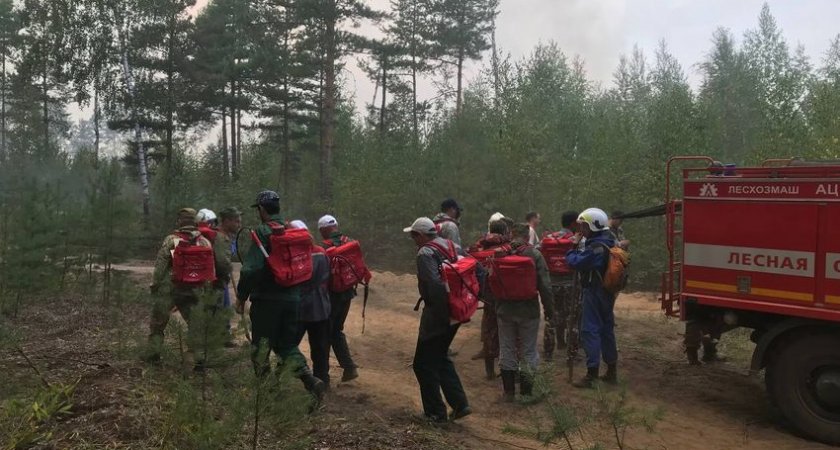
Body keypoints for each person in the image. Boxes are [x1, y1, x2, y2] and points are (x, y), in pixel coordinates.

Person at [237, 191, 325, 397]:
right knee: (286, 345)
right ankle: (310, 380)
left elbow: (252, 269)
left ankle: (266, 394)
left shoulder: (263, 231)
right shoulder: (289, 230)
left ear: (261, 209)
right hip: (293, 298)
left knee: (261, 348)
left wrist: (241, 296)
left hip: (268, 300)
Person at [404, 217, 471, 423]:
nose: (413, 239)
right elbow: (475, 269)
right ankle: (460, 405)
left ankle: (435, 414)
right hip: (457, 311)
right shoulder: (453, 245)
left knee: (423, 364)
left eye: (414, 235)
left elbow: (433, 284)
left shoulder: (425, 252)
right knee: (440, 357)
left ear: (423, 235)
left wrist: (439, 313)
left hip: (438, 315)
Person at [145, 208, 215, 363]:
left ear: (179, 221)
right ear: (195, 222)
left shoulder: (171, 240)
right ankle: (199, 358)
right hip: (194, 289)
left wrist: (155, 285)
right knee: (195, 324)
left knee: (158, 323)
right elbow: (210, 269)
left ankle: (153, 355)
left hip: (170, 287)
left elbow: (161, 265)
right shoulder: (204, 241)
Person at [496, 223, 554, 402]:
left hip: (504, 309)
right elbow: (545, 286)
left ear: (511, 234)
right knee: (528, 350)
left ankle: (508, 393)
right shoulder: (535, 254)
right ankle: (527, 394)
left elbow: (490, 282)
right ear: (528, 236)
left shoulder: (500, 253)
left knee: (507, 349)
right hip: (528, 310)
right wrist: (549, 310)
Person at [566, 208, 618, 388]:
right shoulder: (610, 240)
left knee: (590, 330)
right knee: (606, 329)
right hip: (607, 292)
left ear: (594, 226)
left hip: (595, 292)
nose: (582, 230)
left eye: (584, 226)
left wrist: (573, 247)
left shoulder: (596, 247)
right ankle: (611, 370)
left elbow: (575, 262)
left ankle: (592, 374)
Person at [290, 220, 333, 388]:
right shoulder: (321, 252)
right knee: (320, 348)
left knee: (288, 345)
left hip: (299, 308)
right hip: (321, 307)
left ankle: (286, 376)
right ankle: (323, 380)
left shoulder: (294, 255)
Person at [468, 217, 511, 380]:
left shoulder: (477, 246)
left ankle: (489, 371)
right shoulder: (508, 248)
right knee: (506, 330)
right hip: (504, 295)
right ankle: (508, 369)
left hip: (485, 294)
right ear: (504, 231)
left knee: (488, 329)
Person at [318, 214, 359, 383]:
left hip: (331, 295)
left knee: (325, 332)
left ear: (323, 230)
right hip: (348, 292)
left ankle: (323, 375)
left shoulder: (324, 247)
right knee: (336, 330)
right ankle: (349, 368)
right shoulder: (349, 242)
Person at [543, 210, 579, 359]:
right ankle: (571, 355)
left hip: (552, 283)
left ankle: (549, 352)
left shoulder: (549, 238)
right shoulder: (576, 239)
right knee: (572, 318)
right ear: (573, 223)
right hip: (571, 283)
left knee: (552, 315)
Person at [217, 207, 242, 346]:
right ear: (226, 221)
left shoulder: (228, 237)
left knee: (225, 306)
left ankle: (224, 337)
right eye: (236, 221)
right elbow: (221, 262)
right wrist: (227, 267)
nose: (239, 225)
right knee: (219, 308)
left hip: (223, 279)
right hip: (216, 280)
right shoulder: (219, 237)